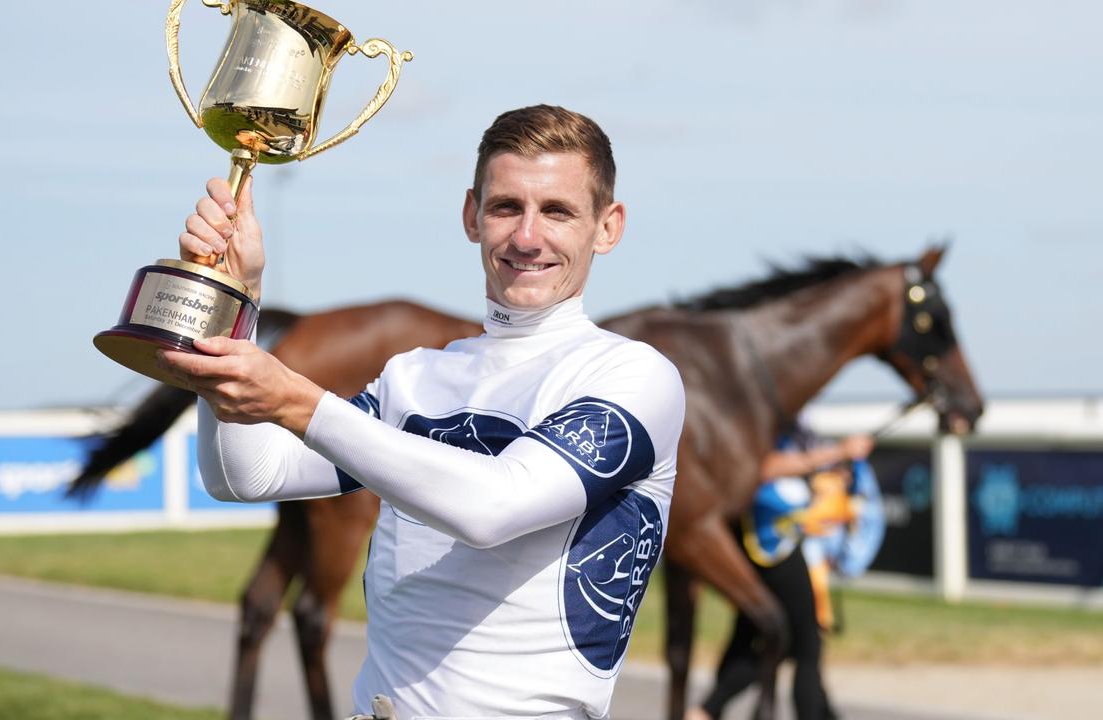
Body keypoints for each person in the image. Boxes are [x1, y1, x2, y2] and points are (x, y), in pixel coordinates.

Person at [159, 105, 686, 720]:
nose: (526, 237)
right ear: (472, 215)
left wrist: (300, 399)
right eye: (506, 207)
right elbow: (246, 475)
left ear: (608, 226)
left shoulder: (635, 376)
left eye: (558, 211)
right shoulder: (412, 376)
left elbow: (493, 508)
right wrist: (237, 302)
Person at [689, 427, 874, 720]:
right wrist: (840, 451)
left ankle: (706, 711)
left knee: (761, 641)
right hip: (774, 556)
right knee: (805, 648)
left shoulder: (779, 433)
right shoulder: (761, 433)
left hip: (773, 550)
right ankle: (707, 711)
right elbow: (768, 468)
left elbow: (792, 494)